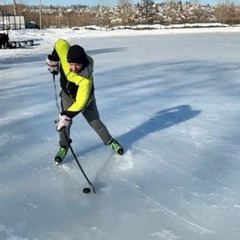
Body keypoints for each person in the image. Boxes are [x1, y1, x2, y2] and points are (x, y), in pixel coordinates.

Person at [46, 39, 124, 163]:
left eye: (77, 65)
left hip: (86, 99)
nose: (73, 68)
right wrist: (53, 61)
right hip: (67, 95)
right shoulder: (65, 53)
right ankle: (64, 146)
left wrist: (67, 115)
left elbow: (81, 102)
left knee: (95, 122)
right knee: (64, 125)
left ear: (83, 63)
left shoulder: (85, 79)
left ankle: (110, 141)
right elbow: (59, 43)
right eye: (70, 64)